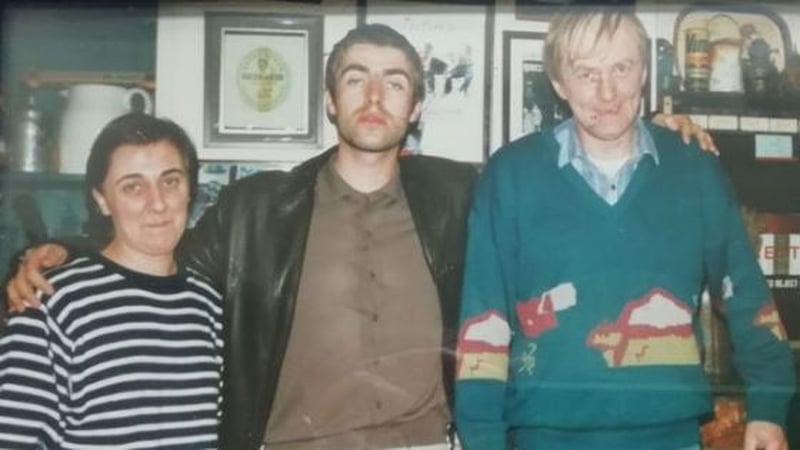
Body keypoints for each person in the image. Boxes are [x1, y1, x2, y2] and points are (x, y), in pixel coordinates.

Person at [5, 23, 717, 450]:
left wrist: (653, 138)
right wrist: (54, 248)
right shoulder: (256, 210)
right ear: (329, 97)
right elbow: (147, 249)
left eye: (395, 83)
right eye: (356, 80)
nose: (375, 98)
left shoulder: (467, 193)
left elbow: (567, 175)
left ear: (417, 104)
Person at [453, 7, 795, 450]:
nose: (607, 92)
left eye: (621, 67)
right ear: (559, 82)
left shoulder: (694, 169)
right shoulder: (510, 175)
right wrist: (481, 437)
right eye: (586, 73)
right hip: (543, 438)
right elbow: (484, 320)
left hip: (670, 437)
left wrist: (769, 406)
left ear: (644, 72)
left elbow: (746, 293)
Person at [0, 113, 223, 447]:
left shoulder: (209, 303)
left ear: (190, 188)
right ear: (102, 199)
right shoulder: (50, 301)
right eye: (133, 186)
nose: (158, 203)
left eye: (170, 181)